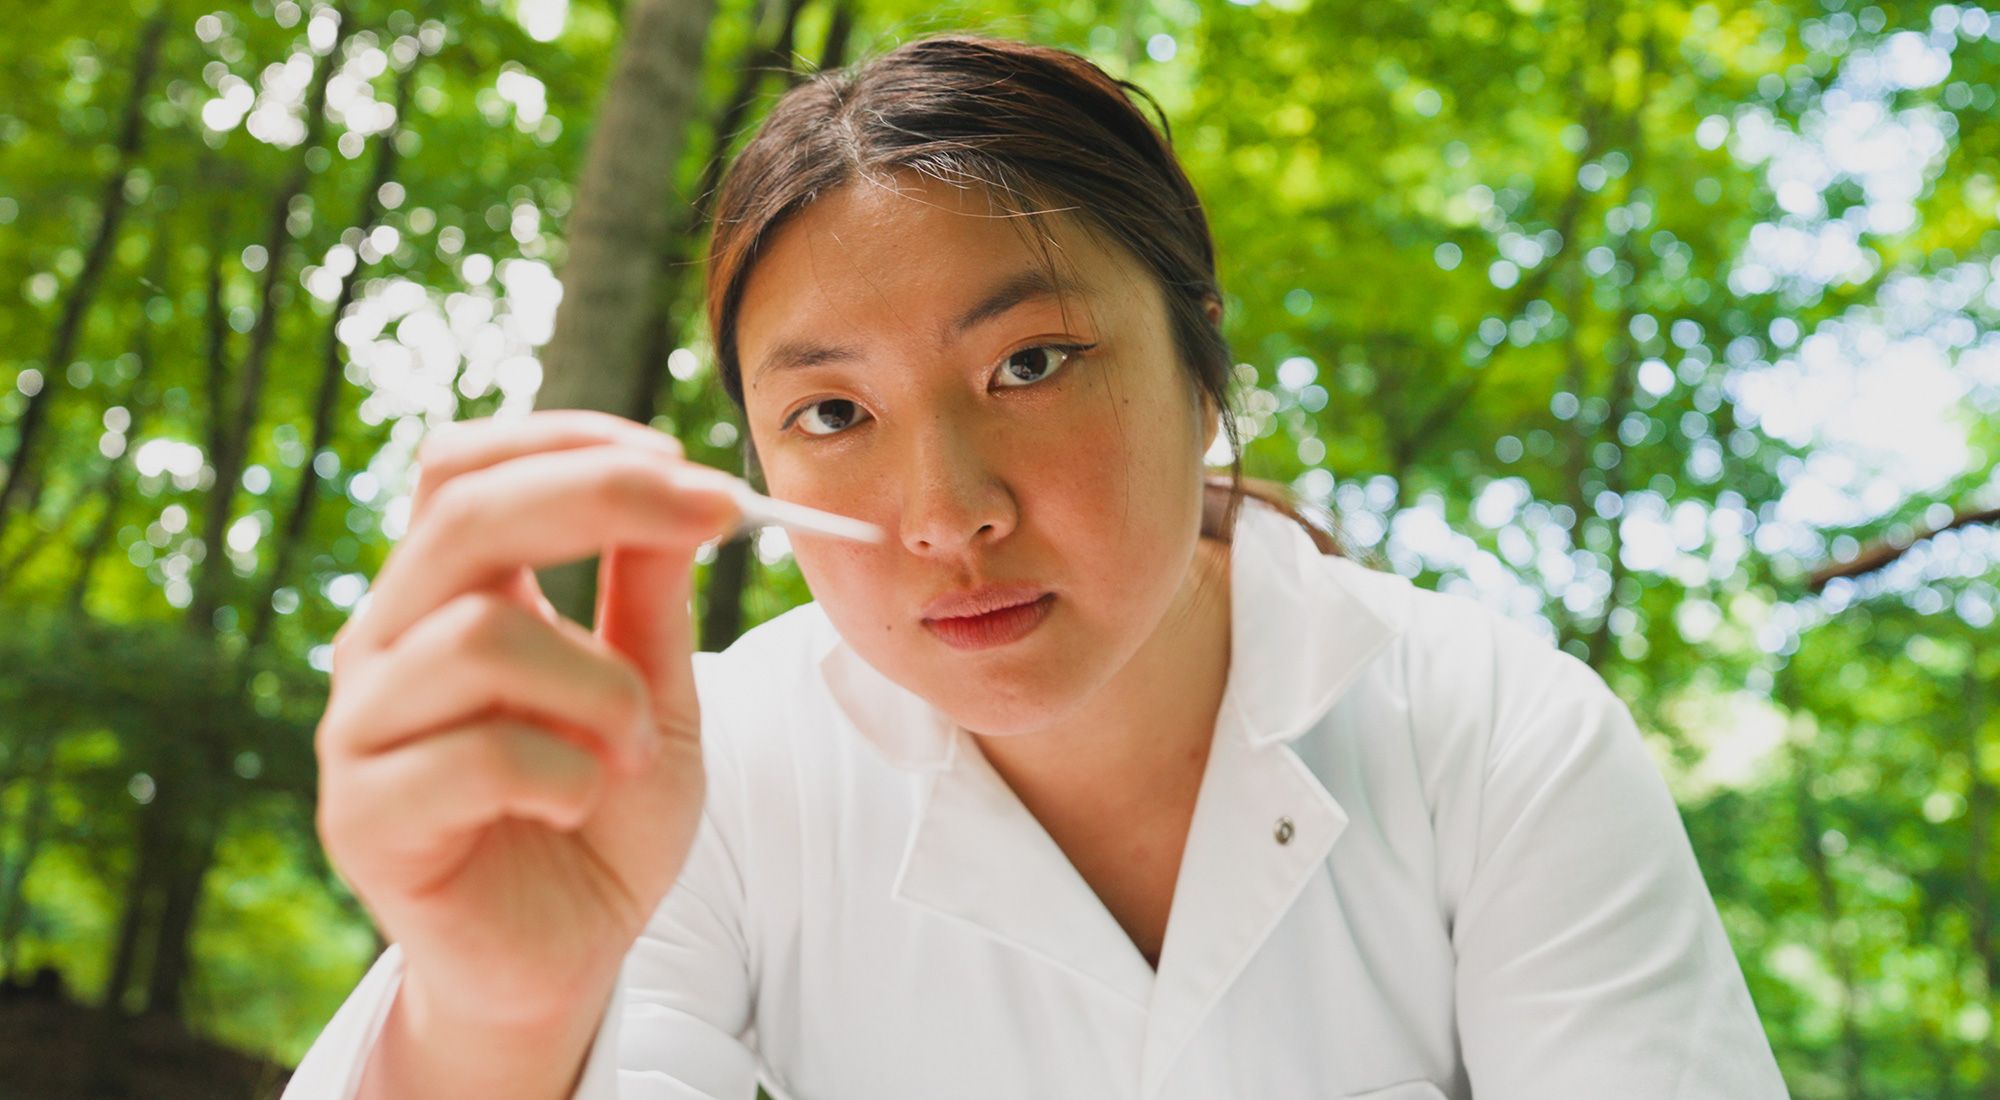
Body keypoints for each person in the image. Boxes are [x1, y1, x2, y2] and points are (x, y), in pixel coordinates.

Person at [282, 32, 1791, 1100]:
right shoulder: (705, 776)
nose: (945, 512)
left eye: (1034, 361)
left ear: (1203, 361)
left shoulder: (1494, 736)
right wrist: (501, 1012)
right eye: (831, 413)